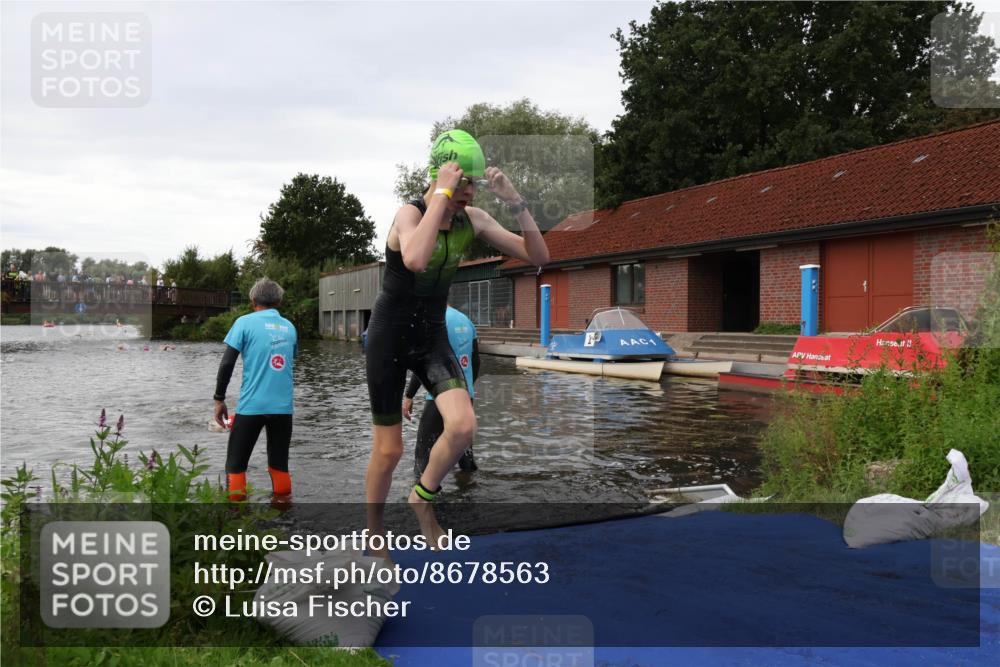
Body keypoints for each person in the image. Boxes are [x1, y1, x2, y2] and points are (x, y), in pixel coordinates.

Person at [364, 129, 549, 554]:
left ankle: (421, 498)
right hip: (389, 339)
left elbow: (539, 257)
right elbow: (415, 258)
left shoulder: (474, 220)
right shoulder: (409, 215)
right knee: (389, 451)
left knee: (463, 426)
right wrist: (441, 196)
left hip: (431, 337)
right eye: (463, 181)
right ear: (441, 174)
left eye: (474, 183)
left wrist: (516, 202)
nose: (469, 191)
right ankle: (374, 533)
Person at [213, 278, 298, 501]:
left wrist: (219, 398)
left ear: (253, 300)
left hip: (252, 406)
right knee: (279, 464)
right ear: (279, 301)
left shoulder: (243, 323)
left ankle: (236, 513)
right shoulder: (289, 327)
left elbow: (227, 363)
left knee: (236, 465)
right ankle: (283, 511)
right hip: (283, 409)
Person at [402, 305, 480, 476]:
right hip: (465, 394)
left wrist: (409, 395)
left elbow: (425, 363)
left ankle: (419, 488)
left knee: (423, 450)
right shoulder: (466, 320)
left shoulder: (434, 322)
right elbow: (476, 360)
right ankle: (469, 485)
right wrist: (466, 389)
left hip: (441, 396)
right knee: (464, 451)